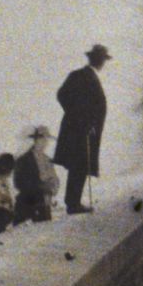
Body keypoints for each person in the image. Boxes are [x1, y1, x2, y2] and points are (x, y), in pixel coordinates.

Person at [56, 43, 112, 214]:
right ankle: (73, 204)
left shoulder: (88, 75)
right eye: (101, 60)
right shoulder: (80, 75)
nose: (102, 63)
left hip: (86, 130)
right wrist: (80, 118)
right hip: (79, 130)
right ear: (96, 60)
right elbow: (62, 95)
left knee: (80, 165)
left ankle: (73, 202)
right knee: (79, 165)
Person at [13, 125, 58, 224]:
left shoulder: (48, 160)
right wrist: (41, 187)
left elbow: (54, 180)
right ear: (35, 140)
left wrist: (52, 188)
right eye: (41, 139)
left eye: (46, 139)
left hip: (44, 205)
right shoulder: (23, 160)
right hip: (27, 205)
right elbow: (18, 183)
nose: (44, 142)